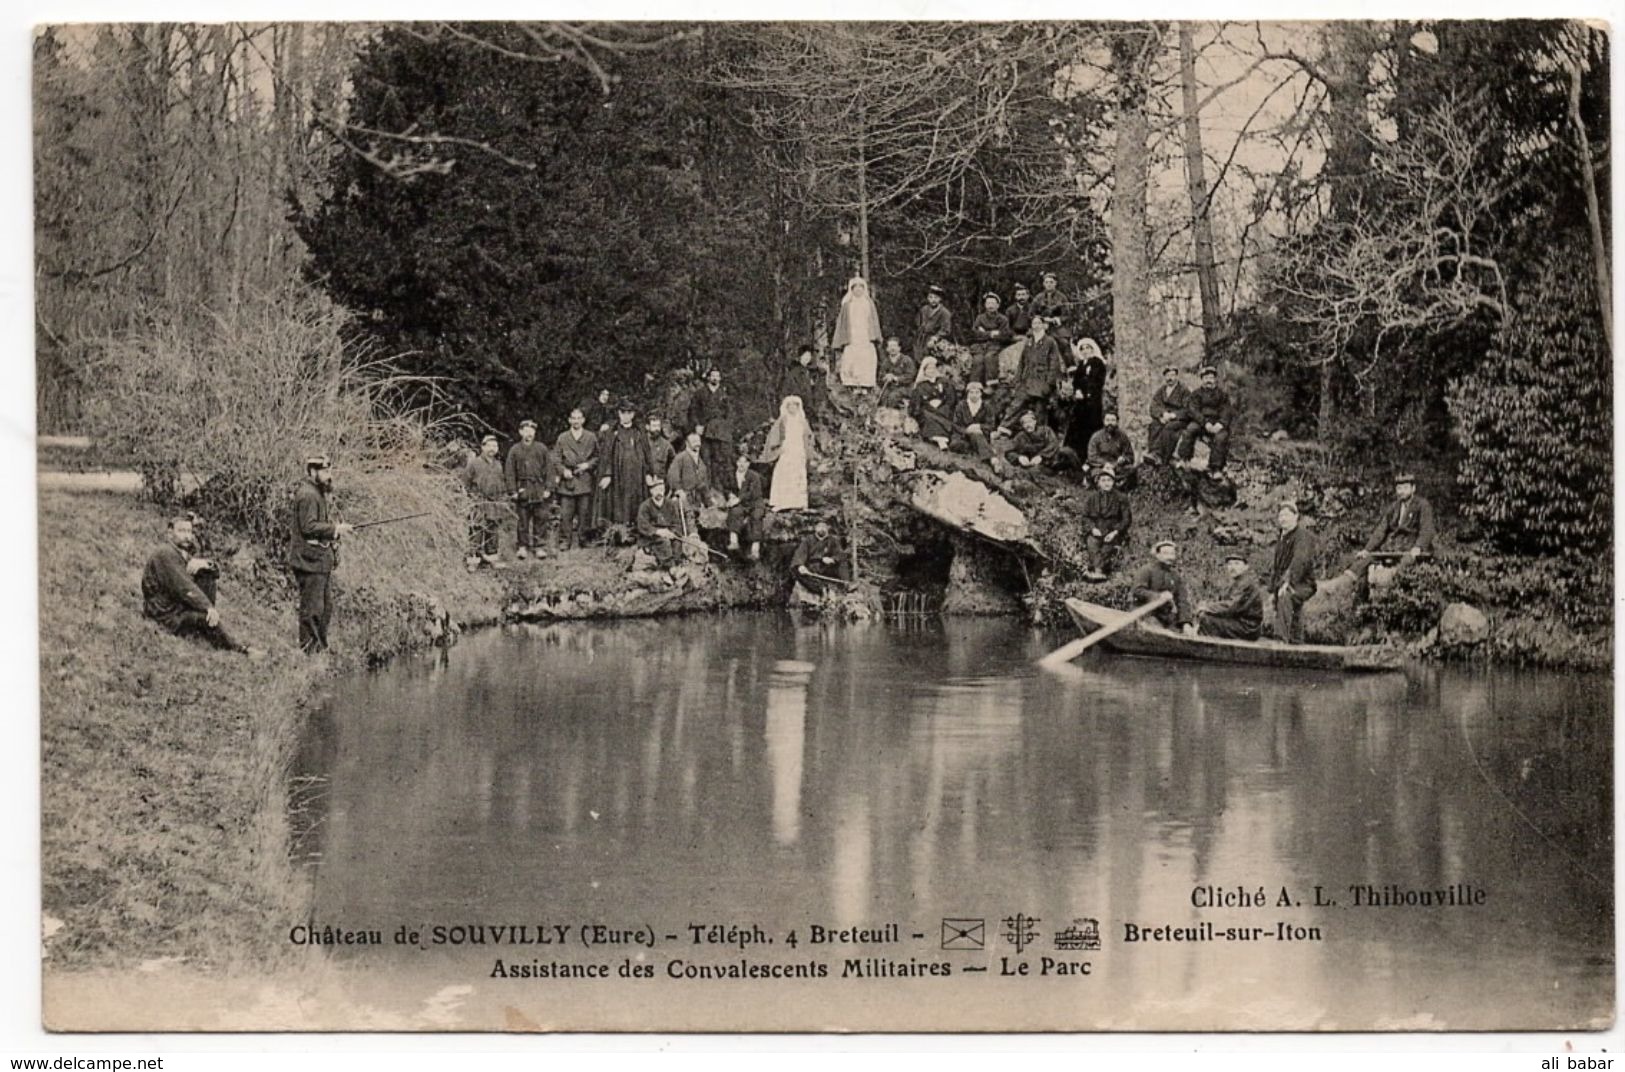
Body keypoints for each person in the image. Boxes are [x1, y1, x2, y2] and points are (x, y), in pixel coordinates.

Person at [143, 515, 249, 653]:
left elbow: (216, 573)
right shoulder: (165, 553)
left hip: (174, 605)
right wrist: (208, 607)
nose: (187, 536)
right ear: (170, 533)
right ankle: (239, 649)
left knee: (206, 573)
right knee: (204, 617)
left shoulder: (180, 552)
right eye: (182, 531)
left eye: (189, 531)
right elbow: (183, 586)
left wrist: (204, 563)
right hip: (164, 613)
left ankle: (205, 624)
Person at [289, 454, 353, 654]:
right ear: (312, 472)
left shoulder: (316, 493)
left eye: (329, 471)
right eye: (324, 471)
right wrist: (335, 528)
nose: (329, 475)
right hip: (309, 562)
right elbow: (308, 527)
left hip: (318, 562)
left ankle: (319, 649)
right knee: (312, 610)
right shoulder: (308, 495)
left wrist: (334, 533)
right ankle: (309, 651)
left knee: (325, 608)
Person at [1339, 471, 1436, 599]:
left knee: (1402, 567)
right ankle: (1342, 588)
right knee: (1363, 561)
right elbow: (1381, 530)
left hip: (1411, 548)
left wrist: (1418, 547)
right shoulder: (1394, 507)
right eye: (1399, 488)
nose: (1401, 491)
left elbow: (1427, 530)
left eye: (1405, 487)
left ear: (1413, 488)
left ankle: (1389, 594)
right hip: (1392, 547)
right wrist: (1367, 549)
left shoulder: (1422, 505)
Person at [596, 399, 654, 540]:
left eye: (629, 413)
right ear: (619, 414)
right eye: (623, 412)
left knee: (637, 501)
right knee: (619, 503)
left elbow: (647, 454)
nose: (626, 416)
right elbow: (607, 455)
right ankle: (621, 533)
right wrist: (608, 474)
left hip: (637, 476)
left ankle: (637, 531)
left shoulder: (639, 432)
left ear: (633, 415)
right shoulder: (613, 432)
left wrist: (649, 473)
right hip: (618, 476)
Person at [1005, 315, 1064, 433]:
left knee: (1040, 410)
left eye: (1038, 323)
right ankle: (1004, 428)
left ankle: (1040, 433)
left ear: (1043, 325)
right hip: (1027, 380)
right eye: (1034, 323)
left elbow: (1054, 363)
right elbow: (1022, 362)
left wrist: (1049, 383)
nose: (1036, 326)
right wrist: (1017, 379)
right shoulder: (1029, 342)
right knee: (1016, 404)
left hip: (1041, 381)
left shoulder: (1050, 342)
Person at [1269, 501, 1318, 644]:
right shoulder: (1282, 538)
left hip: (1303, 582)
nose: (1283, 519)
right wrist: (1273, 588)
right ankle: (1296, 642)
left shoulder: (1303, 536)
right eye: (1281, 516)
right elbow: (1277, 566)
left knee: (1286, 596)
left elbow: (1300, 561)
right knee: (1289, 607)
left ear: (1296, 517)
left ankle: (1279, 640)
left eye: (1287, 515)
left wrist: (1288, 582)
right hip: (1288, 582)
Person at [505, 419, 553, 560]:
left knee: (540, 518)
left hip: (538, 488)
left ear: (535, 433)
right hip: (523, 488)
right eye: (525, 430)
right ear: (520, 432)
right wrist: (513, 490)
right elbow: (509, 471)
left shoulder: (542, 448)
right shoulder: (514, 450)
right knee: (523, 520)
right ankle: (522, 546)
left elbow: (549, 469)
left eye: (531, 431)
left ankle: (540, 546)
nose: (529, 434)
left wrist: (548, 488)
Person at [1176, 365, 1236, 475]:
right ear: (1202, 379)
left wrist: (1221, 424)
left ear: (1215, 380)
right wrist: (1204, 423)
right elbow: (1193, 410)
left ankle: (1215, 468)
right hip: (1201, 422)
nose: (1209, 380)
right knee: (1190, 430)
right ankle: (1184, 459)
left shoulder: (1222, 395)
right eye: (1206, 378)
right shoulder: (1196, 394)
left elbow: (1227, 411)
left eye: (1211, 378)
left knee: (1221, 437)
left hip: (1217, 423)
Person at [553, 408, 599, 550]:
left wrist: (587, 465)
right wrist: (563, 471)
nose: (576, 421)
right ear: (569, 420)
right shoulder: (563, 437)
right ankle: (565, 540)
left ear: (583, 420)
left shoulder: (591, 437)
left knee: (584, 512)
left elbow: (598, 457)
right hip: (568, 481)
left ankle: (583, 539)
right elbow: (556, 459)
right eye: (574, 418)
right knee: (566, 513)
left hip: (585, 479)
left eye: (579, 418)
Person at [1130, 539, 1196, 634]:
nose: (1169, 557)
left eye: (1172, 554)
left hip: (1167, 617)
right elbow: (1137, 591)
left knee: (1182, 634)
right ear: (1157, 555)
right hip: (1147, 614)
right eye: (1165, 553)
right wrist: (1158, 596)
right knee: (1158, 632)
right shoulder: (1146, 570)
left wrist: (1185, 623)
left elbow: (1182, 600)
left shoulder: (1175, 576)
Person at [463, 435, 509, 568]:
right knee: (476, 531)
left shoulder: (498, 464)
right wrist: (471, 499)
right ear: (482, 447)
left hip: (494, 503)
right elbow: (465, 483)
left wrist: (501, 499)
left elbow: (501, 483)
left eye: (495, 446)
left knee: (493, 530)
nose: (492, 449)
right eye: (489, 446)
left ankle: (492, 557)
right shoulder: (474, 463)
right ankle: (473, 560)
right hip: (478, 502)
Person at [1197, 552, 1265, 640]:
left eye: (1237, 564)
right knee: (1208, 617)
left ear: (1246, 567)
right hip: (1241, 623)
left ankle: (1208, 650)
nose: (1232, 568)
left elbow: (1231, 606)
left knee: (1206, 620)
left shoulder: (1245, 582)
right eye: (1229, 564)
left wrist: (1207, 607)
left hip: (1248, 627)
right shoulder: (1238, 582)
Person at [1079, 468, 1132, 579]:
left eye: (1109, 480)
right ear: (1098, 483)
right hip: (1097, 529)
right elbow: (1085, 516)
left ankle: (1098, 571)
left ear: (1113, 482)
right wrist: (1092, 528)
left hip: (1114, 530)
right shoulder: (1092, 498)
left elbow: (1126, 519)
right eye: (1103, 480)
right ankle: (1098, 572)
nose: (1106, 483)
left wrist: (1115, 532)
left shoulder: (1121, 498)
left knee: (1108, 546)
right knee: (1092, 542)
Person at [763, 395, 813, 511]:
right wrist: (778, 447)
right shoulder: (783, 420)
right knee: (783, 473)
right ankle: (781, 502)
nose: (792, 408)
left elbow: (808, 436)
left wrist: (808, 449)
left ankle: (799, 502)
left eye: (795, 406)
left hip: (799, 450)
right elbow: (774, 436)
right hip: (787, 449)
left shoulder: (802, 421)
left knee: (798, 475)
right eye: (790, 406)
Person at [1064, 337, 1110, 460]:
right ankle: (1075, 455)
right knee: (1078, 428)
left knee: (1092, 427)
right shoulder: (1081, 365)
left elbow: (1097, 382)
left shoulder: (1097, 363)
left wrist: (1087, 392)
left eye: (1087, 348)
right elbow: (1077, 381)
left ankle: (1091, 455)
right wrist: (1077, 390)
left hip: (1092, 402)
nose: (1085, 351)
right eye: (1082, 349)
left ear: (1092, 349)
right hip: (1081, 403)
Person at [833, 277, 883, 389]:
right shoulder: (847, 305)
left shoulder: (868, 304)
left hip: (865, 336)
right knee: (851, 357)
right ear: (852, 289)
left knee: (866, 357)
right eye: (855, 288)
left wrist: (875, 336)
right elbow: (842, 323)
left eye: (861, 287)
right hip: (852, 336)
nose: (858, 290)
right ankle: (851, 384)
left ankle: (866, 384)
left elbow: (874, 321)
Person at [688, 367, 736, 481]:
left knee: (720, 458)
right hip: (705, 430)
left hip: (720, 432)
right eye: (712, 375)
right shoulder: (700, 393)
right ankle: (706, 485)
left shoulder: (724, 394)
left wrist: (726, 428)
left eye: (717, 376)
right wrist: (696, 425)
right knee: (705, 457)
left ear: (720, 378)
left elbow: (730, 413)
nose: (715, 378)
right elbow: (693, 411)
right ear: (708, 378)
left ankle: (719, 486)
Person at [1004, 408, 1080, 474]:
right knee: (1034, 471)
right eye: (1024, 423)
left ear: (1035, 422)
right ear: (1022, 425)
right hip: (1037, 465)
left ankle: (1080, 476)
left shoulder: (1046, 430)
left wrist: (1042, 456)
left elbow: (1053, 443)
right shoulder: (1019, 437)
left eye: (1030, 422)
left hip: (1052, 459)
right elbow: (1009, 451)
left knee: (1068, 451)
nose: (1028, 425)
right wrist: (1019, 457)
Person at [635, 478, 687, 574]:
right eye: (656, 490)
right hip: (651, 537)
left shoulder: (670, 504)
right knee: (664, 542)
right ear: (651, 491)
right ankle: (670, 567)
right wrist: (659, 532)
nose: (660, 493)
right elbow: (643, 525)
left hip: (669, 534)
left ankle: (677, 564)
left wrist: (672, 532)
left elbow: (676, 522)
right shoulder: (645, 506)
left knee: (677, 541)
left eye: (661, 490)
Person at [724, 452, 767, 560]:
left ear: (748, 464)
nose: (742, 464)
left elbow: (753, 493)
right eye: (740, 462)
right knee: (734, 512)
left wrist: (738, 499)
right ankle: (734, 541)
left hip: (754, 502)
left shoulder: (754, 476)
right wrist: (730, 495)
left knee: (756, 517)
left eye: (745, 462)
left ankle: (755, 549)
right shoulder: (731, 475)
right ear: (736, 463)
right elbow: (726, 487)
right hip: (741, 504)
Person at [1146, 365, 1191, 464]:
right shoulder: (1161, 390)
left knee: (1168, 428)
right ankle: (1152, 453)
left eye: (1172, 375)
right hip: (1164, 417)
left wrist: (1173, 415)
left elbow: (1188, 409)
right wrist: (1161, 415)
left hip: (1179, 419)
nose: (1170, 378)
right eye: (1167, 376)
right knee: (1154, 425)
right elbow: (1153, 405)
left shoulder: (1184, 390)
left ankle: (1162, 456)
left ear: (1177, 376)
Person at [950, 381, 1000, 468]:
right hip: (963, 435)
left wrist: (979, 426)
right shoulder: (961, 405)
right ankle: (981, 449)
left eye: (977, 392)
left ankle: (992, 460)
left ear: (981, 393)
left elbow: (991, 425)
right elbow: (956, 424)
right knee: (955, 444)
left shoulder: (986, 406)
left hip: (980, 434)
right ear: (967, 394)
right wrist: (967, 431)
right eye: (971, 392)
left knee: (976, 434)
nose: (974, 395)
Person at [791, 520, 850, 595]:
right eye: (819, 527)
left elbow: (840, 554)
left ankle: (845, 584)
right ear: (815, 528)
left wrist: (832, 559)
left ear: (827, 529)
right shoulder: (808, 540)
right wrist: (800, 565)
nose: (821, 529)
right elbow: (800, 553)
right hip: (812, 568)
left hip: (827, 568)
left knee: (842, 562)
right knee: (798, 571)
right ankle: (821, 589)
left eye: (824, 527)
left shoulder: (833, 540)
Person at [910, 356, 956, 447]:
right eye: (928, 369)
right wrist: (929, 405)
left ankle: (939, 438)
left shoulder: (944, 381)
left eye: (933, 368)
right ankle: (941, 440)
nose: (931, 371)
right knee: (927, 415)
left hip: (943, 407)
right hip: (928, 409)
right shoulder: (920, 386)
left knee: (945, 411)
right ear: (924, 371)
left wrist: (942, 403)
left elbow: (951, 398)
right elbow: (916, 404)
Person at [1086, 410, 1137, 489]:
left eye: (1113, 420)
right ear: (1103, 422)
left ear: (1117, 422)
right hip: (1101, 467)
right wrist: (1105, 464)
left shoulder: (1122, 436)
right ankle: (1110, 484)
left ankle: (1116, 484)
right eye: (1108, 420)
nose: (1110, 423)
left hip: (1117, 467)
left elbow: (1130, 455)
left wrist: (1123, 459)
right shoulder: (1096, 437)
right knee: (1097, 474)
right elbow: (1092, 457)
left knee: (1131, 470)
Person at [969, 292, 1013, 379]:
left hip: (994, 345)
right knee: (978, 360)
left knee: (989, 358)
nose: (990, 306)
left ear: (998, 305)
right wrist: (991, 333)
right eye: (988, 303)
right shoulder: (980, 318)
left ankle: (991, 384)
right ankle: (975, 385)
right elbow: (975, 333)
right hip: (980, 345)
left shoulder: (1003, 319)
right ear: (985, 305)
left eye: (993, 303)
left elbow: (1005, 335)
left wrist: (984, 333)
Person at [667, 430, 712, 506]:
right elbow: (672, 477)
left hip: (698, 500)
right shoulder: (680, 458)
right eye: (694, 441)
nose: (697, 444)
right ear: (687, 443)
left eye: (698, 441)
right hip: (683, 499)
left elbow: (705, 484)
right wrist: (679, 491)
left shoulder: (702, 462)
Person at [785, 347, 829, 421]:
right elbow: (795, 389)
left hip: (811, 403)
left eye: (809, 356)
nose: (807, 358)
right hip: (800, 402)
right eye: (805, 356)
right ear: (800, 357)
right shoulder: (795, 372)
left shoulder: (812, 371)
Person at [913, 284, 953, 361]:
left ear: (940, 299)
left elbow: (946, 330)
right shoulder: (924, 309)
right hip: (922, 339)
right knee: (918, 357)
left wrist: (935, 338)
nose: (933, 300)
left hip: (936, 340)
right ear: (927, 298)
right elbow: (918, 322)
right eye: (931, 297)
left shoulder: (944, 312)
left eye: (936, 297)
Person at [876, 337, 917, 409]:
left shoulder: (906, 360)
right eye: (890, 346)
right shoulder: (885, 362)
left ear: (899, 348)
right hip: (890, 387)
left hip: (905, 387)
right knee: (883, 396)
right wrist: (885, 377)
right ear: (887, 349)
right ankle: (884, 416)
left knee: (893, 396)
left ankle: (892, 416)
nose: (892, 348)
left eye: (894, 346)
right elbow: (880, 377)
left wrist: (895, 378)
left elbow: (910, 376)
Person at [1029, 271, 1070, 344]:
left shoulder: (1062, 297)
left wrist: (1057, 319)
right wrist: (1041, 320)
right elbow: (1031, 314)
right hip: (1041, 325)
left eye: (1051, 282)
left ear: (1055, 283)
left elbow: (1067, 315)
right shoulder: (1038, 297)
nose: (1049, 284)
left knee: (1064, 343)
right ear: (1043, 284)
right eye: (1047, 282)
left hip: (1057, 327)